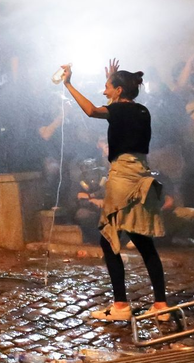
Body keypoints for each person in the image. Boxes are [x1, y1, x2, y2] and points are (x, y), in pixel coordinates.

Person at [60, 60, 168, 322]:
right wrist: (114, 80)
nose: (104, 90)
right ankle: (161, 305)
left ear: (119, 91)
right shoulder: (143, 110)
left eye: (108, 87)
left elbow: (91, 111)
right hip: (142, 176)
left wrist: (68, 84)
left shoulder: (118, 111)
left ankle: (120, 306)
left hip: (123, 177)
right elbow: (121, 108)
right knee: (144, 242)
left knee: (109, 240)